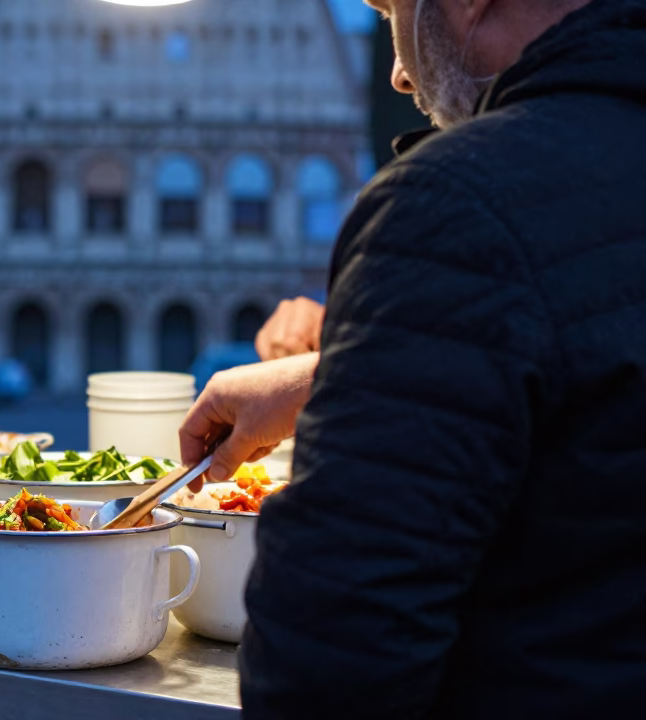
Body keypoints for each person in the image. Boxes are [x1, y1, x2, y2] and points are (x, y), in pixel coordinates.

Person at [180, 0, 646, 716]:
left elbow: (329, 665)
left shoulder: (455, 204)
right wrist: (335, 371)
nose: (400, 75)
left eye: (392, 6)